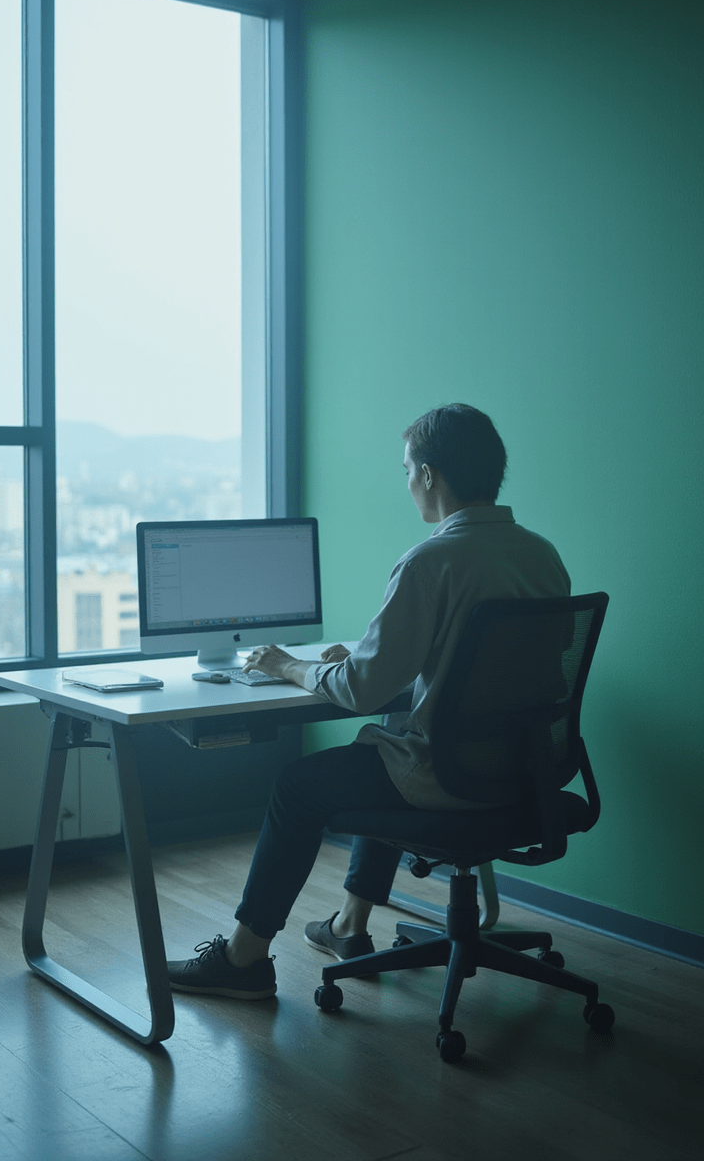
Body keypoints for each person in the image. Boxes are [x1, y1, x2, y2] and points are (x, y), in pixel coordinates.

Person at [166, 404, 571, 999]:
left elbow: (361, 690)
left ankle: (243, 959)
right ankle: (350, 924)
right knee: (387, 733)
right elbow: (491, 678)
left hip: (445, 776)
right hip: (525, 773)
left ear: (431, 476)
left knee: (299, 785)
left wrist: (290, 665)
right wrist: (355, 668)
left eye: (408, 470)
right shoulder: (542, 555)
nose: (407, 483)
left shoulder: (430, 560)